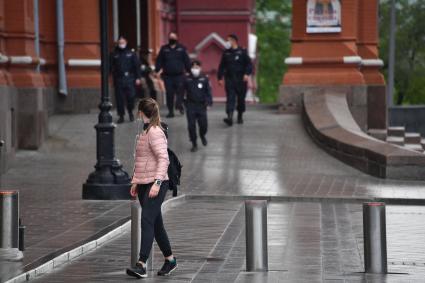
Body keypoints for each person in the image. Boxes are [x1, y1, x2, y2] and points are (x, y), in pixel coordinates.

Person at [126, 98, 177, 279]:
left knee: (147, 219)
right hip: (144, 183)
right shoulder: (145, 132)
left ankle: (141, 264)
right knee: (156, 224)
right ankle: (170, 260)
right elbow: (141, 160)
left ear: (141, 112)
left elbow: (164, 159)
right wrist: (136, 181)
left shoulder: (155, 132)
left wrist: (157, 183)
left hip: (157, 183)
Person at [217, 34, 253, 126]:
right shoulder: (226, 53)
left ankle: (240, 115)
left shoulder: (242, 52)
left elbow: (249, 64)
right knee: (230, 98)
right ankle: (229, 117)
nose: (227, 42)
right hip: (229, 78)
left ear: (234, 41)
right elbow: (221, 66)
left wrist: (246, 74)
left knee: (241, 100)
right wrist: (220, 78)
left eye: (228, 40)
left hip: (241, 79)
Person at [155, 32, 191, 118]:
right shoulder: (164, 49)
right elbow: (159, 60)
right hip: (168, 76)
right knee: (169, 94)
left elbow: (186, 60)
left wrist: (189, 71)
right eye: (170, 37)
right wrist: (157, 70)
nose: (172, 38)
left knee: (180, 92)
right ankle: (170, 111)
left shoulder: (181, 49)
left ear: (177, 38)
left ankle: (179, 105)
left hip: (179, 75)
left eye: (173, 37)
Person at [183, 60, 213, 152]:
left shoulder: (204, 79)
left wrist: (209, 102)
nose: (194, 69)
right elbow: (182, 92)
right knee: (191, 126)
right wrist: (180, 103)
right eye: (193, 68)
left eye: (196, 68)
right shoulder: (187, 79)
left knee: (203, 125)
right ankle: (194, 143)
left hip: (201, 106)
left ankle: (202, 135)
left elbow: (209, 92)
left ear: (200, 68)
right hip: (190, 105)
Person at [110, 36, 141, 123]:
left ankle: (130, 112)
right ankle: (121, 116)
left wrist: (138, 77)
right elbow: (110, 66)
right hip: (119, 79)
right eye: (120, 42)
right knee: (119, 98)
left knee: (131, 97)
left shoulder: (131, 53)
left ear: (126, 42)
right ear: (117, 43)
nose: (121, 44)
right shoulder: (114, 54)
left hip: (130, 78)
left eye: (123, 42)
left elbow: (136, 66)